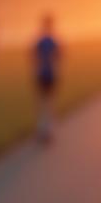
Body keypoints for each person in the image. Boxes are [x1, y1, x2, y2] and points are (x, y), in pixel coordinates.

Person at [31, 13, 61, 143]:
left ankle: (43, 131)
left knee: (43, 104)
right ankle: (48, 131)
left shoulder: (40, 41)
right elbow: (59, 57)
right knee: (49, 103)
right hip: (50, 75)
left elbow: (33, 58)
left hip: (42, 75)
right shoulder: (53, 41)